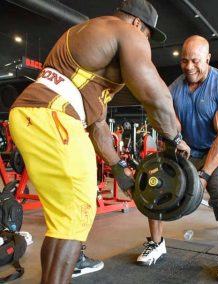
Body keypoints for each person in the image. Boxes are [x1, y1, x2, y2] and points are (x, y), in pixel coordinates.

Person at [8, 0, 190, 283]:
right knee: (77, 211)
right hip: (53, 117)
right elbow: (157, 97)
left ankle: (68, 265)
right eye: (147, 35)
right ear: (137, 24)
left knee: (66, 215)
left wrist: (120, 171)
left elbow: (98, 125)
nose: (146, 42)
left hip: (31, 115)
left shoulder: (89, 46)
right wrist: (175, 139)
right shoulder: (124, 32)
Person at [137, 35, 218, 283]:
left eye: (195, 61)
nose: (188, 67)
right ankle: (156, 243)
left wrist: (205, 174)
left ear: (207, 59)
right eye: (184, 61)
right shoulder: (174, 89)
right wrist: (176, 141)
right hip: (186, 150)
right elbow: (166, 123)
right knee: (154, 186)